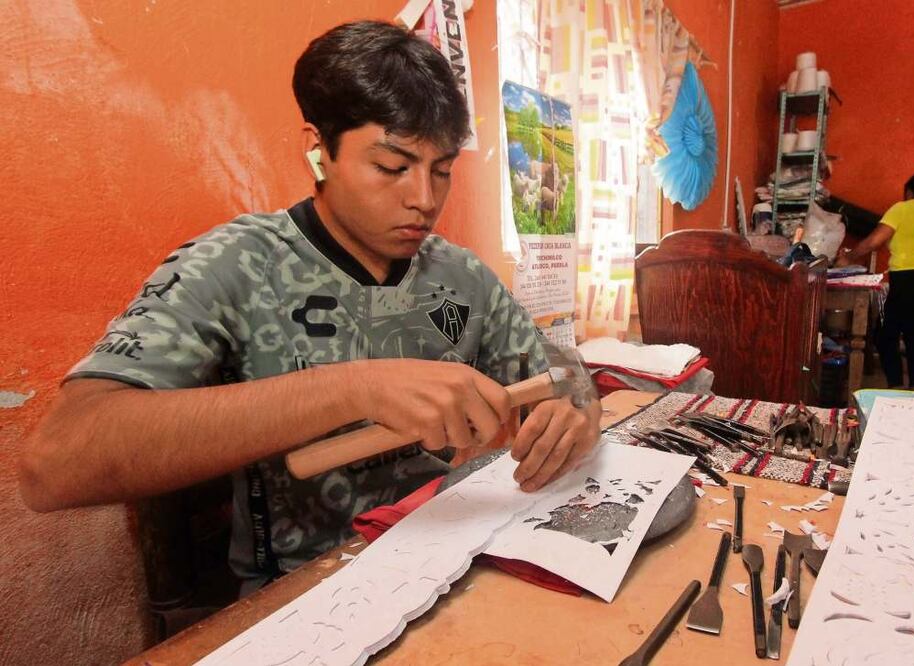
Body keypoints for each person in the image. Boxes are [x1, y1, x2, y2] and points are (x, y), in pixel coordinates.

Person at [18, 20, 601, 589]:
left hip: (459, 563)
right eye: (391, 167)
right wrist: (354, 388)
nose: (424, 200)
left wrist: (577, 413)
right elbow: (54, 465)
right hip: (307, 596)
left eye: (441, 171)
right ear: (319, 150)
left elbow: (561, 371)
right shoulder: (236, 264)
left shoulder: (460, 275)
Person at [835, 171, 914, 389]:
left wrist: (847, 257)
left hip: (907, 281)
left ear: (910, 192)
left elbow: (874, 241)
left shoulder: (901, 209)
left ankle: (895, 386)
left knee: (886, 336)